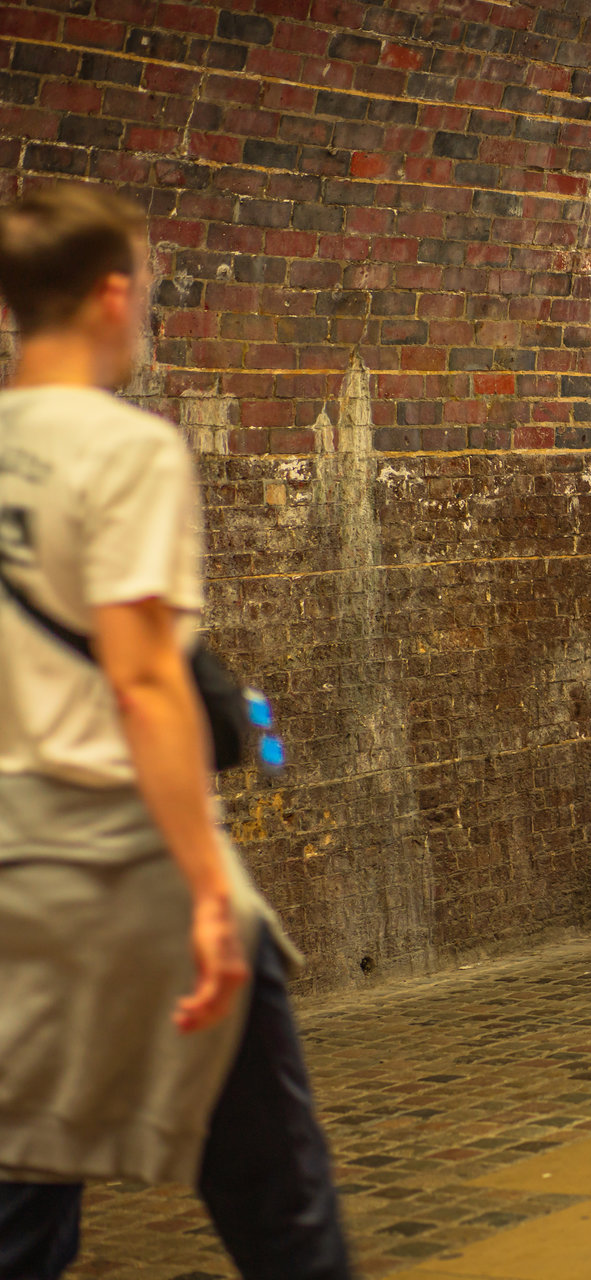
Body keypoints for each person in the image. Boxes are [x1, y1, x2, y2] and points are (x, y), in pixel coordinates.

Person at [0, 184, 351, 1275]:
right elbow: (148, 682)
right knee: (279, 1200)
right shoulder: (126, 450)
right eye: (147, 282)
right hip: (130, 865)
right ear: (111, 293)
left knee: (22, 1193)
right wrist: (208, 889)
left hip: (13, 873)